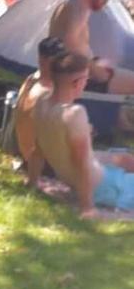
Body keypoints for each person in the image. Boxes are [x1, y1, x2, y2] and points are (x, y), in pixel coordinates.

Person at [30, 52, 134, 219]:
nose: (87, 83)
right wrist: (87, 207)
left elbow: (37, 149)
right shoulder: (75, 113)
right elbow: (81, 163)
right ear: (77, 83)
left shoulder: (42, 103)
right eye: (86, 79)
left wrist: (32, 183)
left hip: (73, 177)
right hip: (104, 186)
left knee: (126, 159)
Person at [49, 0, 134, 93]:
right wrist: (96, 71)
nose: (105, 2)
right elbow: (68, 48)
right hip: (81, 78)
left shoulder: (70, 6)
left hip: (82, 73)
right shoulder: (79, 10)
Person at [14, 36, 66, 175]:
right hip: (41, 164)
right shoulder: (49, 94)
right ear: (47, 62)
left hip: (25, 155)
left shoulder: (31, 80)